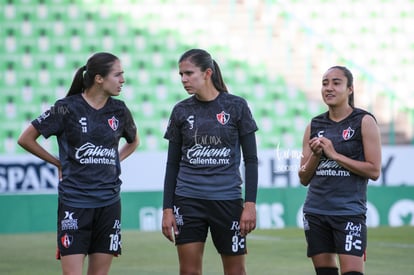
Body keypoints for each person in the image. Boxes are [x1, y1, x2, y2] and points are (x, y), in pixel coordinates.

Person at [17, 52, 139, 275]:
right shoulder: (66, 108)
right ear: (99, 78)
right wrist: (57, 163)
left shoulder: (119, 110)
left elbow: (133, 141)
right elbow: (25, 138)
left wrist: (115, 159)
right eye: (118, 74)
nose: (123, 80)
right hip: (74, 203)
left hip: (109, 203)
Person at [161, 48, 259, 275]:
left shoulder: (236, 106)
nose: (184, 79)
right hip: (188, 201)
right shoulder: (181, 110)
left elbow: (251, 160)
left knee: (235, 272)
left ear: (207, 73)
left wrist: (250, 204)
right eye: (181, 75)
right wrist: (167, 208)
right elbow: (172, 164)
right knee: (189, 272)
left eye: (189, 73)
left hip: (228, 201)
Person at [298, 66, 382, 275]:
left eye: (336, 83)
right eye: (325, 83)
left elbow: (374, 170)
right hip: (316, 212)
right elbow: (303, 177)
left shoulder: (364, 121)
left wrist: (334, 155)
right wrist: (317, 155)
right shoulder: (314, 124)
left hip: (349, 213)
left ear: (350, 89)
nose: (329, 88)